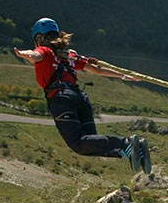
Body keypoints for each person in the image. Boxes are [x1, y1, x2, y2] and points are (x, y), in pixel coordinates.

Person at [14, 17, 151, 173]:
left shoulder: (45, 50)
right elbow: (97, 70)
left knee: (78, 144)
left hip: (61, 99)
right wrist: (123, 76)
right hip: (80, 98)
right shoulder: (70, 55)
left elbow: (35, 55)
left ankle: (125, 144)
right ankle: (134, 150)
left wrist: (23, 54)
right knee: (90, 143)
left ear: (39, 37)